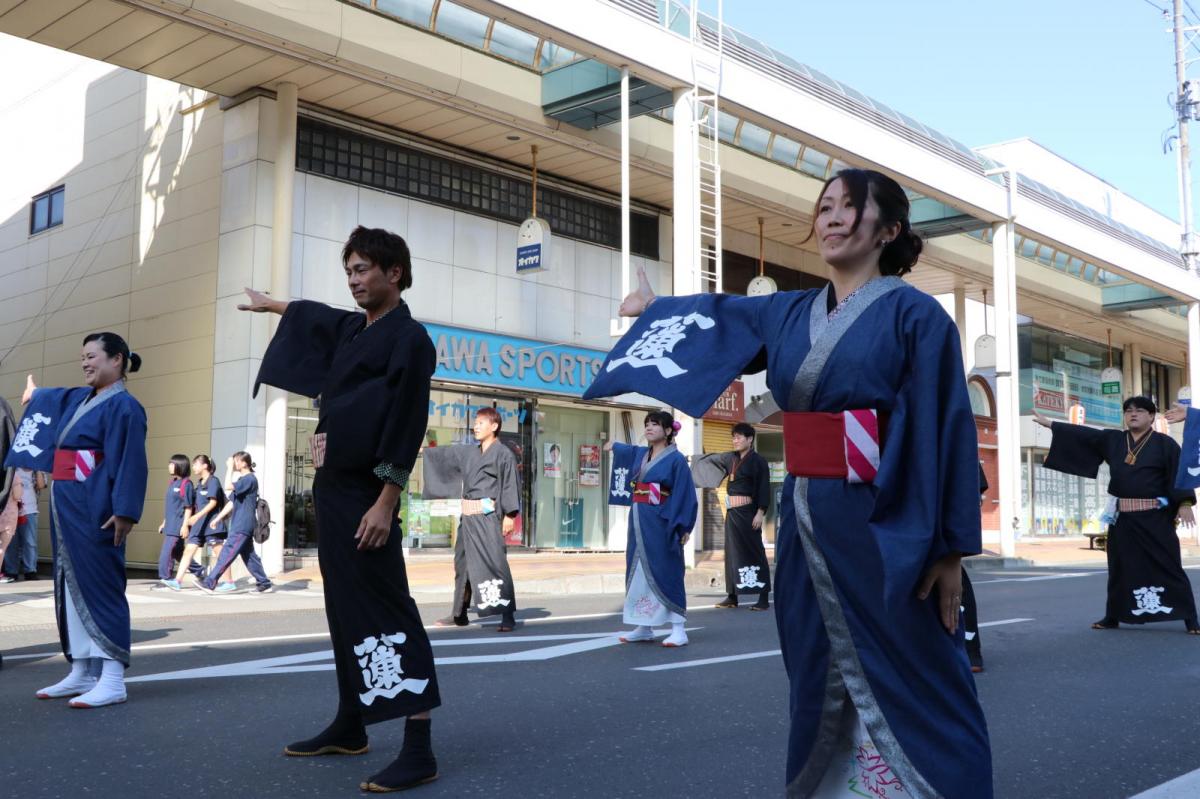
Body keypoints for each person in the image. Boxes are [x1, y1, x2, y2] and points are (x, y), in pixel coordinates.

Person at [584, 169, 991, 797]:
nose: (829, 218)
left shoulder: (919, 316)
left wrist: (949, 547)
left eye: (848, 208)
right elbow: (720, 317)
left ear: (888, 229)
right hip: (806, 519)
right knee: (814, 661)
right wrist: (654, 311)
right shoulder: (790, 310)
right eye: (824, 207)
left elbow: (945, 430)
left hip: (886, 523)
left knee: (914, 665)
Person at [241, 225, 440, 792]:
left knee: (387, 608)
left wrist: (386, 501)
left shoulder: (410, 339)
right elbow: (317, 316)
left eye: (362, 270)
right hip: (334, 492)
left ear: (393, 273)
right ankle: (351, 723)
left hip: (367, 494)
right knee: (345, 609)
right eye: (348, 271)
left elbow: (406, 423)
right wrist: (271, 304)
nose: (353, 280)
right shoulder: (355, 328)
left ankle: (419, 747)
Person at [5, 333, 148, 708]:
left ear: (116, 360)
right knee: (69, 584)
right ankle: (82, 670)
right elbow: (55, 397)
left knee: (101, 584)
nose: (85, 363)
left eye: (92, 356)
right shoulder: (82, 398)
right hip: (67, 503)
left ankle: (113, 677)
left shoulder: (125, 407)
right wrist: (35, 395)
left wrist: (125, 510)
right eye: (82, 357)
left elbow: (130, 460)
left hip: (97, 505)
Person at [1037, 397, 1198, 633]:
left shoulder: (1165, 444)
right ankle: (1113, 615)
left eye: (1140, 411)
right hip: (1123, 518)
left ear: (1152, 417)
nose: (1133, 414)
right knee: (1120, 567)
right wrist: (1052, 425)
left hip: (1154, 517)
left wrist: (1184, 503)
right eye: (1128, 411)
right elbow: (1085, 436)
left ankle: (1190, 618)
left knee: (1169, 566)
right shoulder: (1113, 440)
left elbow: (1178, 474)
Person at [424, 407, 521, 633]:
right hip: (467, 518)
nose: (475, 427)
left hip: (488, 517)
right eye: (475, 423)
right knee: (462, 565)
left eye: (480, 423)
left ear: (494, 426)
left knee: (496, 563)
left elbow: (509, 483)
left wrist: (509, 515)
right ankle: (459, 613)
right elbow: (446, 456)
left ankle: (508, 616)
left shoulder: (503, 453)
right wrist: (422, 450)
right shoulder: (470, 452)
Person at [605, 410, 698, 647]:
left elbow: (685, 494)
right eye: (646, 424)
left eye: (655, 424)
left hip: (662, 520)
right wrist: (614, 445)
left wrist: (683, 525)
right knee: (637, 570)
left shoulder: (676, 460)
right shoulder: (642, 454)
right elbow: (629, 451)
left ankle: (679, 628)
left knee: (667, 569)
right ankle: (644, 626)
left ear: (668, 431)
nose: (648, 428)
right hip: (638, 519)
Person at [692, 421, 772, 610]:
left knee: (755, 552)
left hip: (749, 512)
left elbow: (763, 487)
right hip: (732, 513)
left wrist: (760, 512)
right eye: (733, 437)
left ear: (750, 439)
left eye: (738, 437)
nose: (735, 440)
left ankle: (763, 598)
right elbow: (712, 459)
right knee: (732, 553)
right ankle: (732, 596)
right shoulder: (731, 458)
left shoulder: (758, 461)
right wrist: (688, 459)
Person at [194, 453, 273, 595]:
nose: (234, 463)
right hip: (242, 524)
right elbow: (231, 502)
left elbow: (227, 486)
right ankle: (264, 582)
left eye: (236, 461)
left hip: (242, 525)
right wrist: (218, 518)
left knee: (226, 553)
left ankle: (210, 582)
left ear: (244, 463)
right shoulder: (244, 480)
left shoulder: (249, 479)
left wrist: (229, 468)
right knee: (249, 556)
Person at [162, 454, 233, 591]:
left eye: (196, 464)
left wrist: (196, 516)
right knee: (188, 550)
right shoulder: (199, 484)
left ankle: (229, 582)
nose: (193, 466)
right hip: (199, 525)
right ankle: (177, 581)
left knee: (220, 552)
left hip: (212, 524)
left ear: (205, 466)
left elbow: (213, 502)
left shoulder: (213, 481)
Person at [156, 454, 202, 586]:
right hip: (170, 524)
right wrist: (164, 522)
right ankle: (201, 571)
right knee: (178, 553)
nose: (169, 466)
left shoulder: (186, 484)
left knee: (167, 553)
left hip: (178, 525)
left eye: (172, 464)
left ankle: (166, 578)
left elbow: (188, 507)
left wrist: (185, 526)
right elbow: (171, 506)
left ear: (180, 466)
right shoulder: (172, 483)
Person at [3, 468, 44, 581]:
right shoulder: (11, 468)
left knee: (30, 542)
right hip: (11, 509)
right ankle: (11, 571)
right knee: (11, 543)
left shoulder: (35, 469)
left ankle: (30, 570)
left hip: (30, 510)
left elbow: (41, 485)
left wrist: (37, 468)